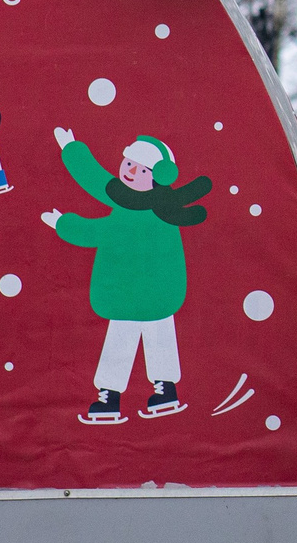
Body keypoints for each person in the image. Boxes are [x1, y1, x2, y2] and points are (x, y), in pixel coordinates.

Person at [44, 131, 215, 423]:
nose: (132, 173)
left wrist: (64, 223)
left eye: (143, 170)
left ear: (157, 177)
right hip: (149, 293)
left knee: (127, 338)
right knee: (151, 335)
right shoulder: (145, 205)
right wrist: (72, 149)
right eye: (129, 164)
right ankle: (158, 391)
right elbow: (97, 180)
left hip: (132, 292)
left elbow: (98, 231)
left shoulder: (144, 212)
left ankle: (114, 397)